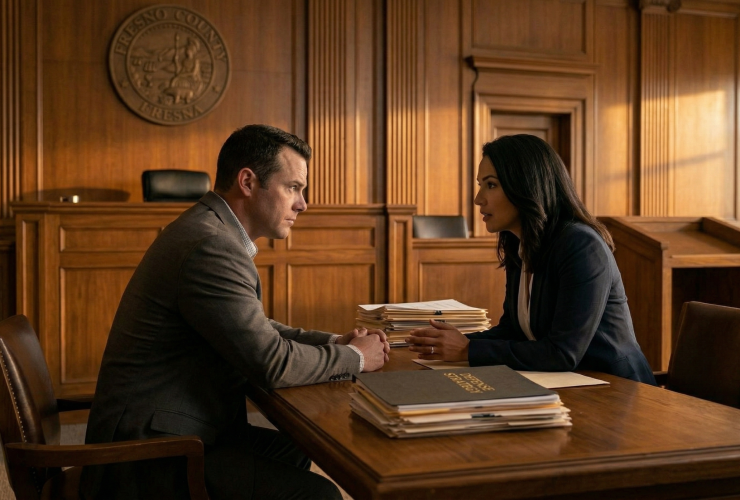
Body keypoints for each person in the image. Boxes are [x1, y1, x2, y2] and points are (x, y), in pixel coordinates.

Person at [80, 124, 390, 500]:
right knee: (320, 495)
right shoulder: (212, 246)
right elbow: (271, 363)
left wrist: (333, 342)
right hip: (149, 452)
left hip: (172, 425)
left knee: (291, 448)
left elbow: (255, 328)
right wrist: (355, 357)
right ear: (247, 181)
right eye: (293, 187)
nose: (303, 204)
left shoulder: (211, 230)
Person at [406, 134, 656, 384]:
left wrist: (466, 350)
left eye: (491, 185)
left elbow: (562, 353)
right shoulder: (519, 242)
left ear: (526, 186)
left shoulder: (581, 245)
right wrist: (448, 342)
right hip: (570, 384)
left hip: (617, 390)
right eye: (480, 184)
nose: (478, 199)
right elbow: (513, 331)